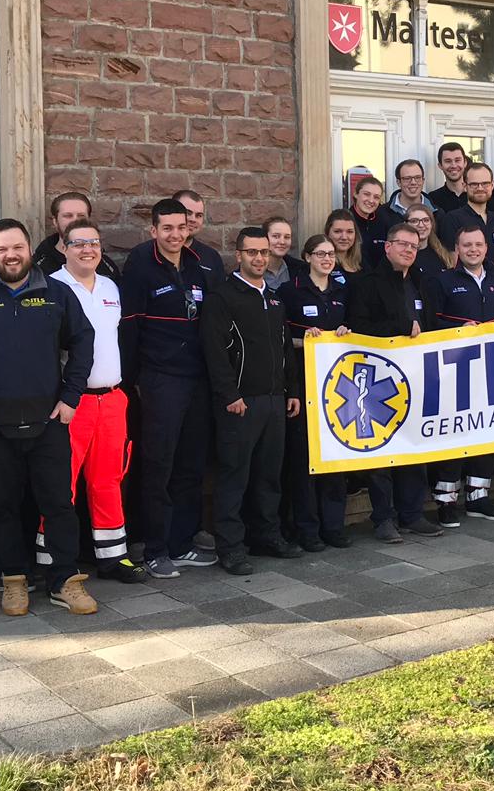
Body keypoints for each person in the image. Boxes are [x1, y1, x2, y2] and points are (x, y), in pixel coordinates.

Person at [0, 219, 99, 615]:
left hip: (50, 422)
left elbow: (83, 340)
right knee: (3, 507)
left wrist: (71, 397)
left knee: (59, 505)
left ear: (30, 249)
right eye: (1, 249)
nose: (10, 255)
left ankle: (65, 580)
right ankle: (14, 581)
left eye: (17, 248)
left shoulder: (56, 294)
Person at [120, 198, 220, 578]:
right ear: (154, 230)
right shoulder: (140, 266)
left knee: (190, 464)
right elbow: (129, 329)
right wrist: (134, 381)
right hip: (160, 379)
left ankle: (181, 544)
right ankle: (155, 548)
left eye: (182, 227)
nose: (175, 235)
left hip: (197, 378)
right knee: (158, 465)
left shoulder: (197, 265)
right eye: (167, 228)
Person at [201, 227, 303, 574]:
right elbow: (214, 352)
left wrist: (292, 391)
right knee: (234, 476)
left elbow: (285, 348)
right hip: (241, 403)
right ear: (239, 255)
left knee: (269, 475)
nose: (259, 258)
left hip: (274, 400)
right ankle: (230, 547)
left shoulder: (274, 299)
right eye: (252, 252)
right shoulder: (222, 297)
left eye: (264, 252)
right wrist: (230, 395)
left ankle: (266, 535)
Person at [51, 220, 141, 583]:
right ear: (63, 248)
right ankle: (55, 561)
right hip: (72, 403)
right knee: (62, 483)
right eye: (78, 243)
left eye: (93, 243)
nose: (87, 249)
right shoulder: (52, 287)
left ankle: (113, 557)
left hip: (112, 399)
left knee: (108, 480)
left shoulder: (110, 287)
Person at [347, 223, 442, 543]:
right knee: (381, 452)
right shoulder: (367, 284)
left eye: (414, 246)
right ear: (387, 247)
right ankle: (383, 518)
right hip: (379, 379)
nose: (408, 250)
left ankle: (412, 514)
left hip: (416, 376)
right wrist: (400, 328)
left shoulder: (420, 282)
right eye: (402, 244)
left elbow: (431, 325)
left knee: (414, 446)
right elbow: (358, 326)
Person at [424, 226, 494, 525]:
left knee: (488, 431)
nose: (473, 250)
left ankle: (479, 497)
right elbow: (430, 325)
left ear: (486, 248)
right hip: (453, 372)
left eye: (478, 244)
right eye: (466, 245)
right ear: (457, 249)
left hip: (491, 370)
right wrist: (458, 331)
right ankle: (446, 502)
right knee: (453, 433)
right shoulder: (443, 282)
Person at [282, 235, 353, 551]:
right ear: (307, 257)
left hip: (338, 389)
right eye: (320, 253)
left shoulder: (342, 292)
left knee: (336, 457)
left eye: (331, 254)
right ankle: (306, 529)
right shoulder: (290, 292)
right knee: (304, 461)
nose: (327, 259)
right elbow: (280, 336)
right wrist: (303, 339)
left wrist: (346, 333)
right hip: (303, 384)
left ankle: (334, 527)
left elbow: (355, 330)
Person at [440, 161, 494, 277]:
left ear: (492, 185)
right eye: (474, 184)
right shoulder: (452, 219)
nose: (480, 188)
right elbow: (451, 262)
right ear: (465, 186)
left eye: (485, 184)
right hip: (466, 286)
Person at [33, 191, 120, 279]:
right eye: (68, 216)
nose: (75, 220)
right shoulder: (38, 269)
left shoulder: (106, 268)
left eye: (81, 215)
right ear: (55, 221)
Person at [175, 189, 226, 276]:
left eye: (198, 215)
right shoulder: (150, 253)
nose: (193, 219)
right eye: (188, 213)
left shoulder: (211, 257)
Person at [350, 175, 390, 268]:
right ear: (355, 194)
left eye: (376, 197)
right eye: (366, 194)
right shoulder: (345, 220)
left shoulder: (384, 221)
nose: (371, 200)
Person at [404, 204, 453, 280]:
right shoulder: (402, 255)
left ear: (432, 224)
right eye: (414, 221)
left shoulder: (442, 254)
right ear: (405, 224)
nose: (421, 225)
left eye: (426, 220)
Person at [386, 158, 434, 223]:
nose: (413, 182)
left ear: (423, 181)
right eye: (407, 178)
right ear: (398, 182)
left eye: (417, 177)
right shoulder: (382, 214)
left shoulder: (437, 214)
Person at [427, 141, 469, 215]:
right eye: (448, 161)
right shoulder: (433, 198)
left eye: (457, 160)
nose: (453, 165)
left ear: (465, 163)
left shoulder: (476, 193)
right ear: (440, 165)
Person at [263, 216, 299, 292]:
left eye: (287, 237)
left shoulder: (299, 270)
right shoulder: (251, 271)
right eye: (276, 236)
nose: (282, 242)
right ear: (265, 238)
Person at [325, 208, 364, 276]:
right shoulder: (323, 265)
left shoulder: (362, 262)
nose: (344, 237)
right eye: (337, 231)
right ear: (327, 233)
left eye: (349, 232)